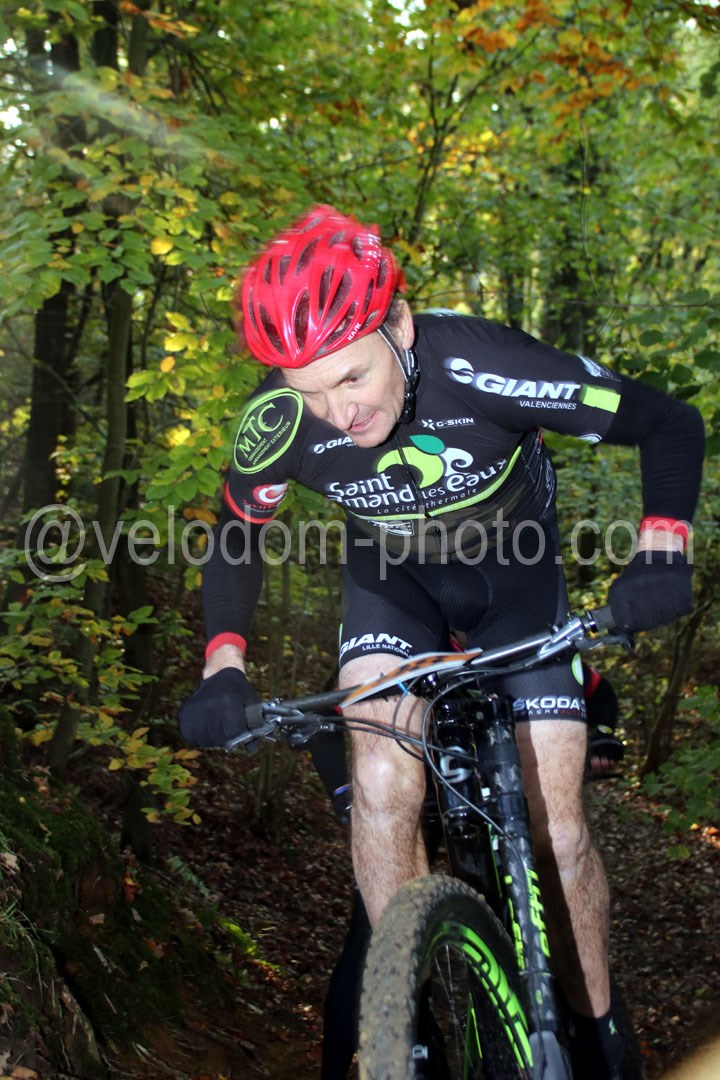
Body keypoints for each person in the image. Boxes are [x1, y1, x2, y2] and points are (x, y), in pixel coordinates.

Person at [179, 204, 704, 1080]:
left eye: (350, 378)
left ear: (398, 323)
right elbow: (237, 533)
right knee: (382, 782)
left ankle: (602, 1032)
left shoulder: (484, 364)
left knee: (559, 829)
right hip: (395, 587)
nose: (335, 413)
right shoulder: (279, 420)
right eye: (307, 391)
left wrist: (661, 549)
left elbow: (667, 421)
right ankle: (404, 1028)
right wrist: (222, 666)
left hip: (515, 580)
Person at [312, 662, 625, 1080]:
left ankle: (576, 1034)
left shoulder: (508, 639)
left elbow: (598, 692)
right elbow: (323, 716)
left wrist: (600, 735)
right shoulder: (396, 644)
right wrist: (346, 795)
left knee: (530, 899)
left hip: (491, 795)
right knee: (369, 939)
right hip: (416, 799)